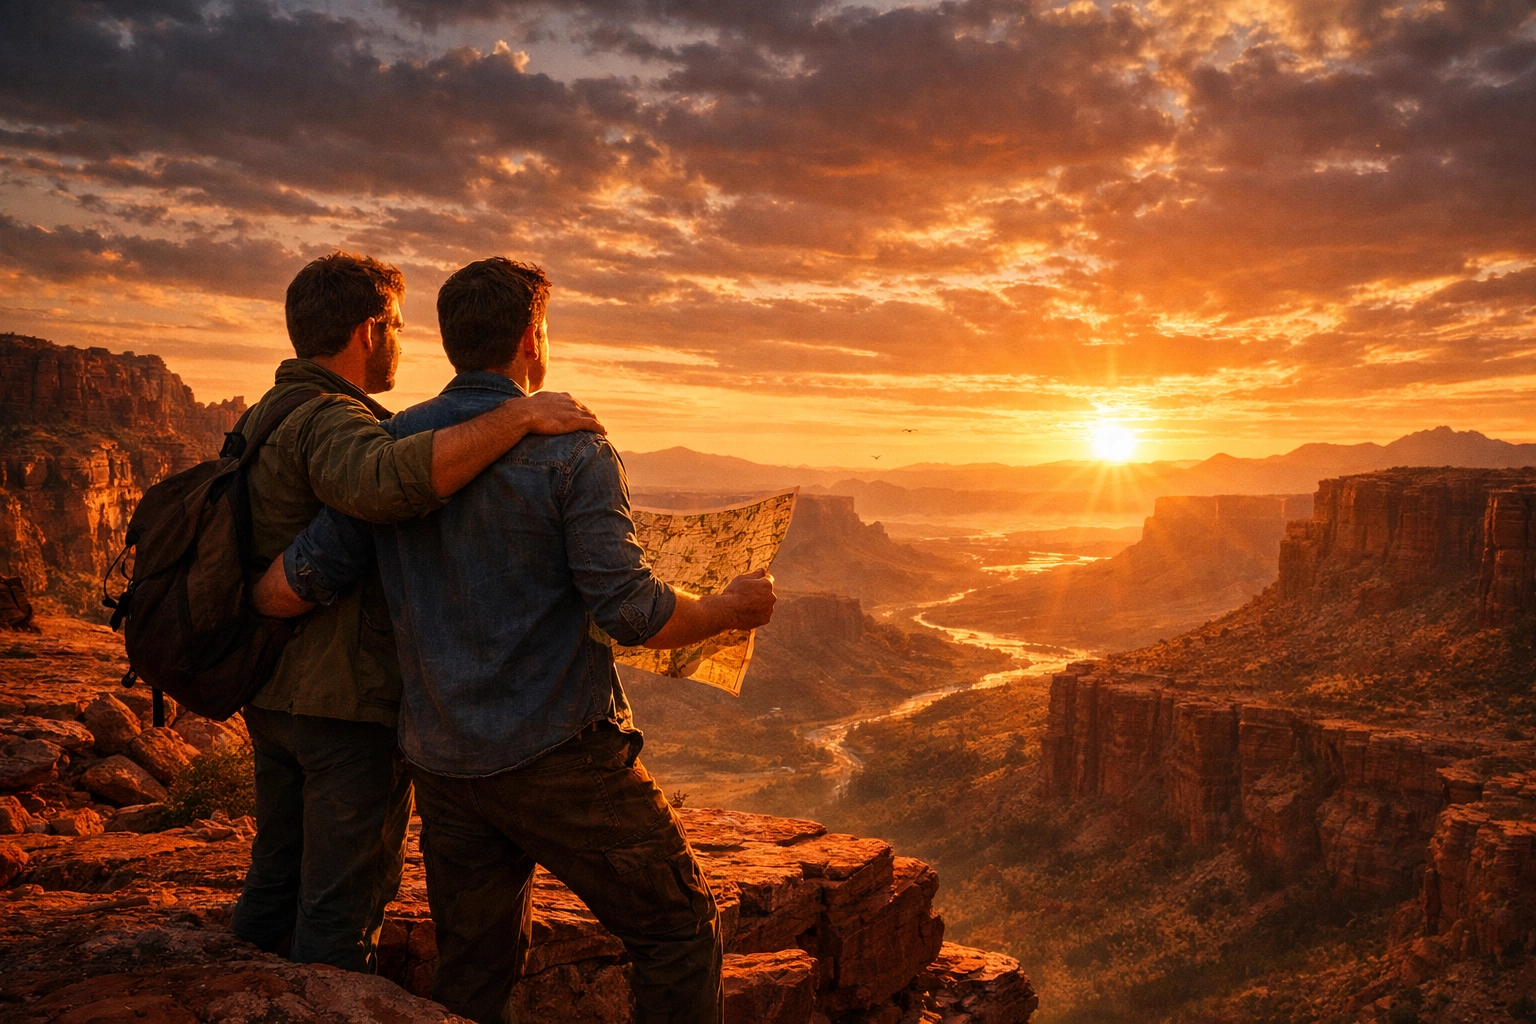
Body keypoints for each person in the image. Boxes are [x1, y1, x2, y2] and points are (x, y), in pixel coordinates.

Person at [254, 256, 776, 1024]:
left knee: (477, 964)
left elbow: (301, 577)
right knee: (677, 931)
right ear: (533, 335)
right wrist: (728, 609)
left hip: (442, 762)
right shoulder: (572, 447)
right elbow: (635, 613)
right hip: (561, 753)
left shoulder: (395, 447)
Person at [229, 251, 603, 976]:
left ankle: (240, 993)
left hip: (276, 694)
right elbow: (388, 482)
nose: (403, 339)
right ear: (369, 332)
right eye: (396, 324)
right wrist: (519, 414)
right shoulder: (331, 420)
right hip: (340, 704)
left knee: (274, 882)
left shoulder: (265, 411)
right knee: (343, 904)